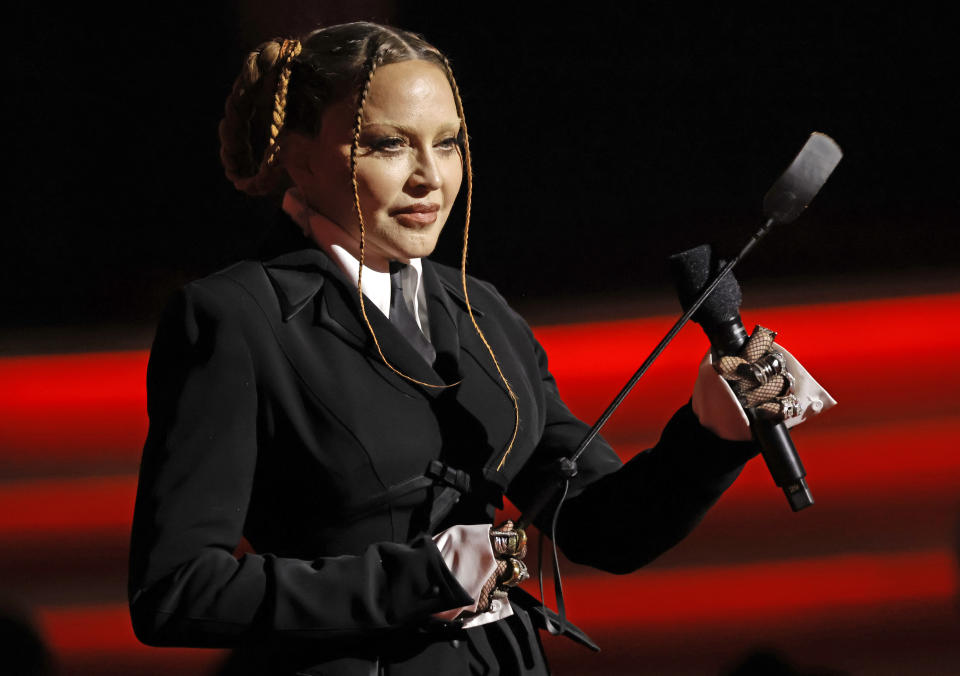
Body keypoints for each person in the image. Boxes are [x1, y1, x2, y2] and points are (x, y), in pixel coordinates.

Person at [127, 22, 828, 675]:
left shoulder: (481, 312)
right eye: (387, 144)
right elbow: (177, 589)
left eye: (449, 142)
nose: (430, 177)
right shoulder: (235, 318)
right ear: (297, 157)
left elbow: (601, 528)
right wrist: (414, 578)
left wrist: (711, 435)